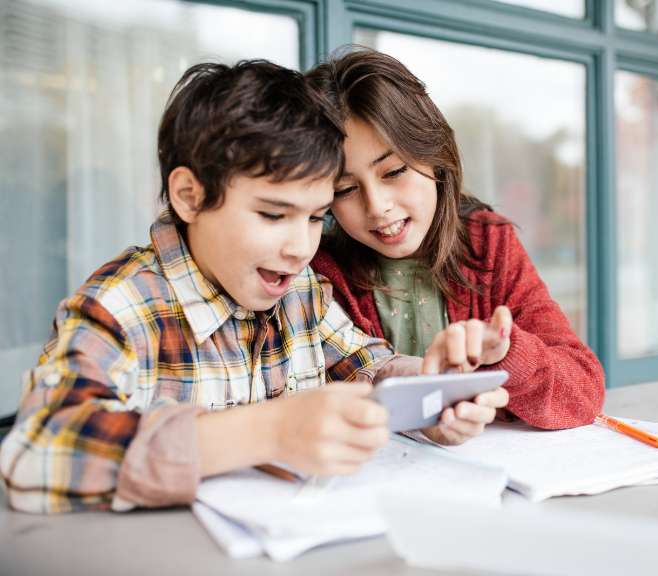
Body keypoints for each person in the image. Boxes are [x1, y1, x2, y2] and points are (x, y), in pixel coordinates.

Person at [0, 60, 510, 514]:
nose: (300, 248)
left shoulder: (301, 293)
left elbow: (367, 367)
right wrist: (267, 431)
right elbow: (34, 453)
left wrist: (429, 393)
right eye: (273, 214)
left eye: (315, 217)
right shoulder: (123, 304)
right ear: (189, 196)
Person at [307, 47, 605, 432]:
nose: (377, 206)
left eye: (394, 171)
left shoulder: (487, 242)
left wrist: (507, 352)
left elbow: (584, 393)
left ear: (435, 156)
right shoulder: (315, 265)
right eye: (345, 190)